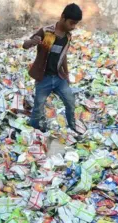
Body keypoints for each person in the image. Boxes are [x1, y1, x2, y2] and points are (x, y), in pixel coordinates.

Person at [23, 3, 82, 133]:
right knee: (38, 107)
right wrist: (32, 42)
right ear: (63, 17)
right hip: (43, 78)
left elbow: (63, 55)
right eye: (71, 23)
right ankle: (33, 131)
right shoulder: (46, 31)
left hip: (59, 78)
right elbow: (25, 45)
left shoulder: (67, 36)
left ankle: (73, 127)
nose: (73, 27)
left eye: (75, 24)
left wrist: (66, 74)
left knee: (70, 102)